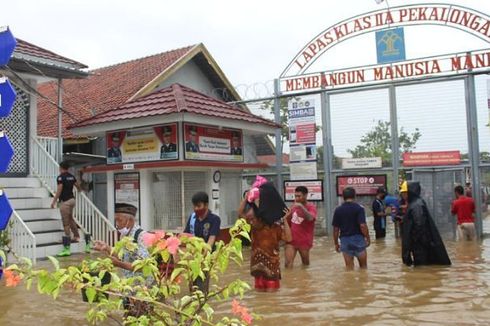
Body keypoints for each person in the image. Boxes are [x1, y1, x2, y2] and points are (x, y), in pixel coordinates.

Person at [93, 203, 151, 316]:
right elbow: (123, 257)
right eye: (116, 221)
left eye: (119, 220)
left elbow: (144, 267)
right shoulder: (124, 236)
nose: (117, 225)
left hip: (142, 292)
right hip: (128, 289)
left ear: (129, 221)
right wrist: (107, 248)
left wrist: (118, 264)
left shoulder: (141, 236)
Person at [238, 189, 292, 291]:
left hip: (271, 268)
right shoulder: (254, 226)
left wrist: (285, 220)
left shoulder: (275, 226)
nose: (251, 220)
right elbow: (240, 213)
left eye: (252, 217)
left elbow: (289, 238)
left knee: (270, 299)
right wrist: (246, 198)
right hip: (257, 269)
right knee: (261, 298)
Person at [401, 181, 451, 266]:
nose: (402, 195)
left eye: (404, 193)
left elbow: (419, 224)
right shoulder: (415, 203)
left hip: (420, 245)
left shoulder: (416, 205)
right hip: (420, 244)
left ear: (409, 192)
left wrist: (414, 241)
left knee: (421, 267)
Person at [183, 191, 220, 292]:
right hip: (193, 256)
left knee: (202, 284)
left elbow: (211, 240)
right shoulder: (192, 218)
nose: (196, 209)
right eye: (194, 206)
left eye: (199, 206)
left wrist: (202, 257)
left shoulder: (214, 219)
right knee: (192, 285)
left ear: (206, 205)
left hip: (206, 257)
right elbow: (187, 236)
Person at [332, 187, 370, 270]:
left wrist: (336, 243)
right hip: (358, 239)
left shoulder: (338, 210)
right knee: (363, 268)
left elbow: (335, 229)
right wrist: (367, 238)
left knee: (349, 269)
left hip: (345, 240)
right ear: (354, 196)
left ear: (343, 197)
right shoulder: (359, 208)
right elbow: (362, 225)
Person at [51, 161, 82, 257]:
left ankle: (67, 242)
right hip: (72, 200)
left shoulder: (60, 177)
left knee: (66, 223)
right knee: (71, 218)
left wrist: (54, 201)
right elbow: (78, 185)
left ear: (61, 168)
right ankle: (76, 236)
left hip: (65, 202)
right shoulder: (71, 176)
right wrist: (80, 190)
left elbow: (59, 189)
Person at [284, 186, 317, 268]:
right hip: (291, 240)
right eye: (295, 196)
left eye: (299, 196)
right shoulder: (293, 207)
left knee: (305, 264)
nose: (297, 198)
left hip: (304, 241)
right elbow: (287, 223)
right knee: (288, 264)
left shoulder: (311, 207)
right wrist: (286, 216)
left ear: (306, 195)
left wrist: (301, 207)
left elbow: (310, 218)